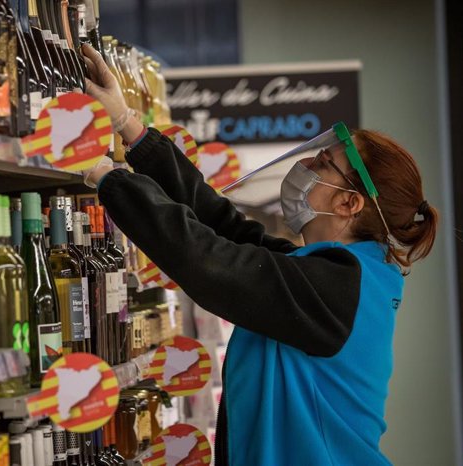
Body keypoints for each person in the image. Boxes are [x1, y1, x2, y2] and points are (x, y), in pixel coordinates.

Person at [79, 44, 438, 465]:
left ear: (349, 204)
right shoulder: (333, 275)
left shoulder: (336, 288)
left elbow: (208, 262)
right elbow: (225, 228)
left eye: (323, 164)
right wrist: (129, 126)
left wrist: (110, 178)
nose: (305, 166)